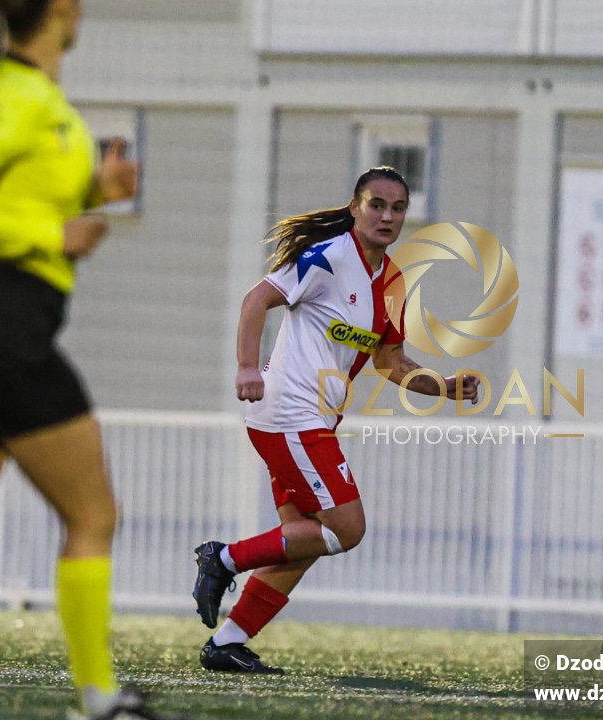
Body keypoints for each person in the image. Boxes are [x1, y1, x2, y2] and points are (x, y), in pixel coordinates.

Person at [0, 3, 173, 719]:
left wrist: (99, 193)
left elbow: (33, 199)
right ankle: (99, 700)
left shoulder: (42, 100)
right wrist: (52, 233)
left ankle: (99, 697)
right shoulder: (18, 97)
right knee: (93, 515)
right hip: (6, 329)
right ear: (60, 12)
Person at [192, 166, 480, 673]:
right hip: (288, 412)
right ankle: (223, 559)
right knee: (346, 528)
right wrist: (244, 365)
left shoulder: (392, 281)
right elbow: (257, 299)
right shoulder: (327, 256)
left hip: (309, 421)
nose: (387, 216)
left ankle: (228, 643)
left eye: (397, 208)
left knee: (304, 539)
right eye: (376, 204)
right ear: (354, 207)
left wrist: (445, 389)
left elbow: (391, 363)